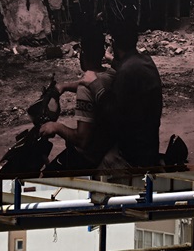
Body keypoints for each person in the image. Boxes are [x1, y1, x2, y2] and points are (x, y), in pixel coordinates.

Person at [39, 30, 115, 172]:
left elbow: (82, 140)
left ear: (82, 54)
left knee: (48, 175)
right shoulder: (111, 74)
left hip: (87, 157)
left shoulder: (84, 90)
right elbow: (91, 84)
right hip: (105, 147)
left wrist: (56, 127)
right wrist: (64, 86)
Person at [103, 22, 163, 169]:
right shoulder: (146, 60)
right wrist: (113, 61)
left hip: (133, 153)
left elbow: (111, 114)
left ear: (114, 43)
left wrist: (93, 85)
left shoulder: (126, 72)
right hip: (150, 143)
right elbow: (129, 68)